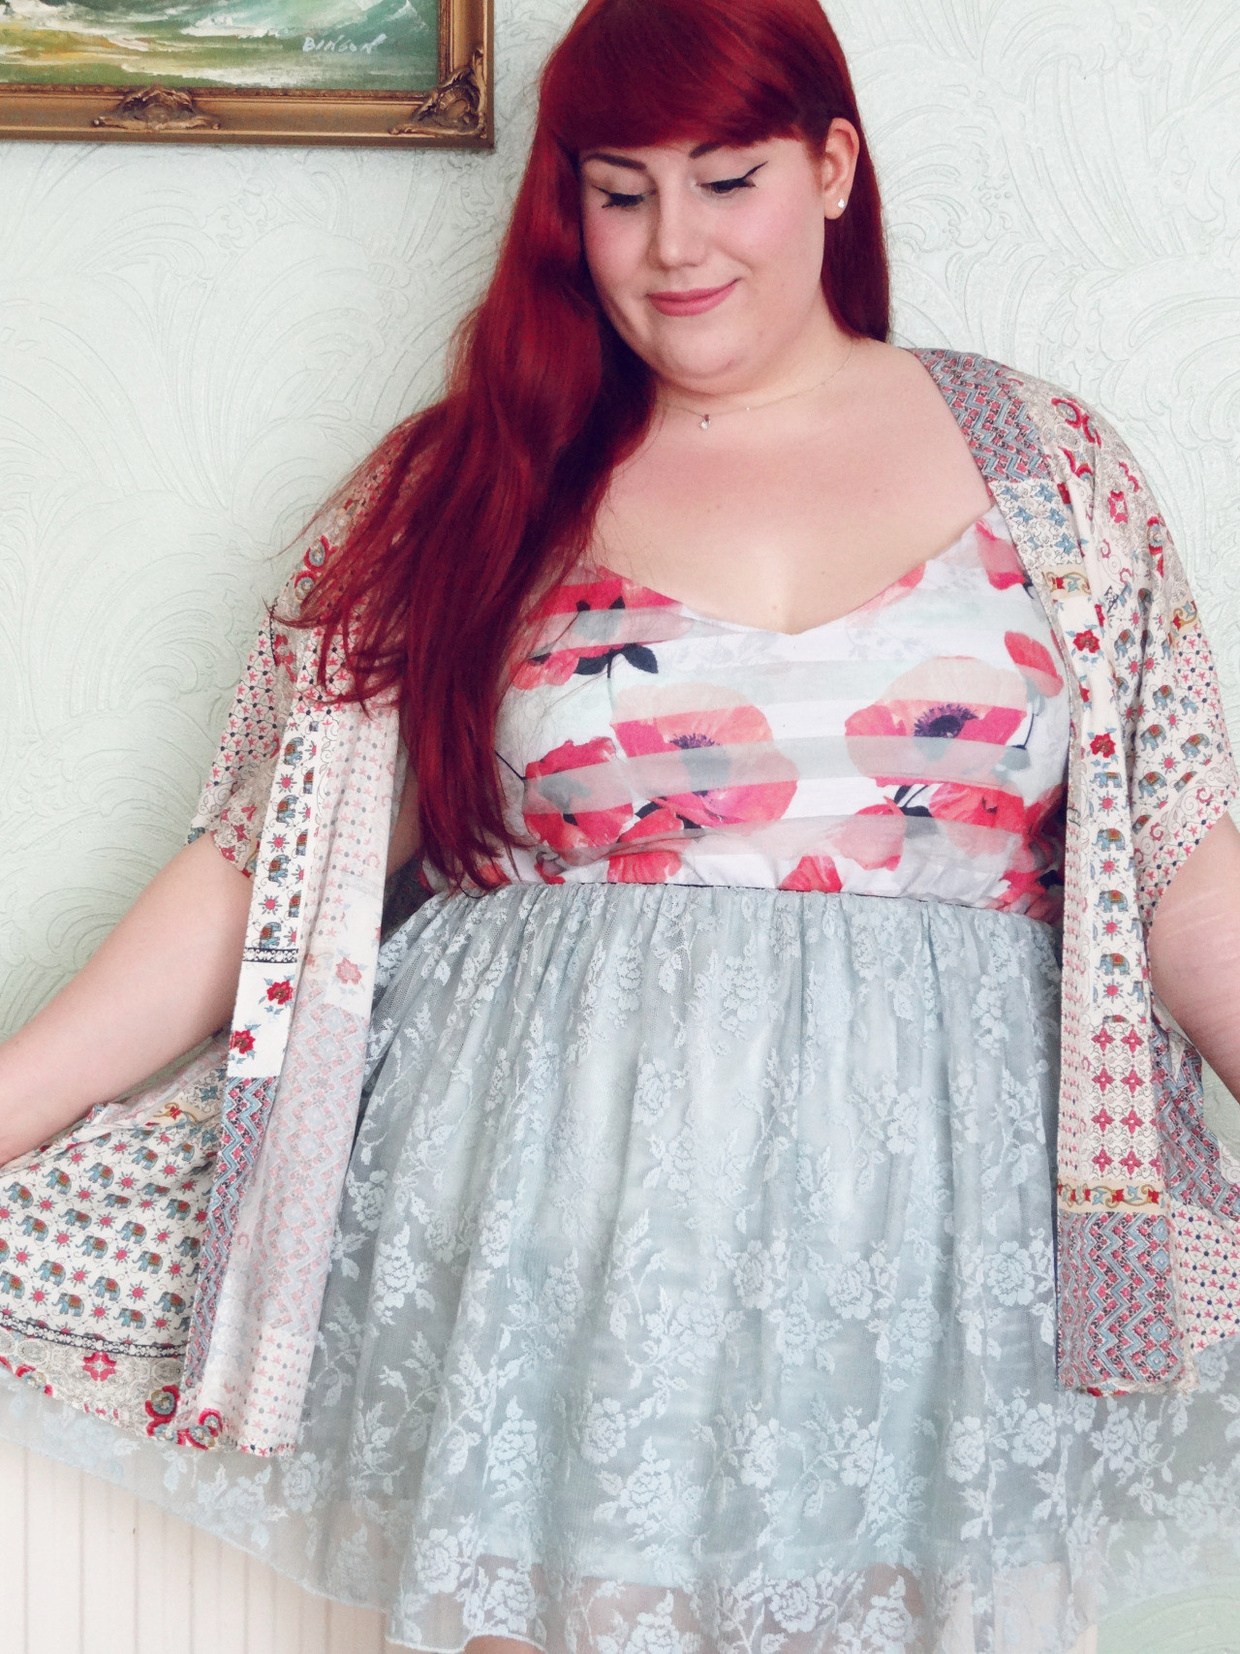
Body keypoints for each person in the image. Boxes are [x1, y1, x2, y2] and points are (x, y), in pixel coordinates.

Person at [1, 0, 1239, 1648]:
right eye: (620, 191)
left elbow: (1183, 868)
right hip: (554, 1235)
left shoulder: (1050, 466)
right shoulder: (470, 484)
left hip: (941, 1256)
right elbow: (264, 865)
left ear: (832, 168)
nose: (674, 247)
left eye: (728, 180)